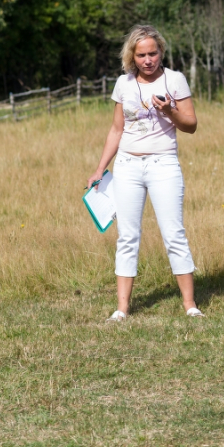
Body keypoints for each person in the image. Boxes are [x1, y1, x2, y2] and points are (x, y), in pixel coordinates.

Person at [86, 25, 202, 322]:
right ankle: (122, 309)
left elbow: (190, 125)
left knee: (174, 233)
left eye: (153, 53)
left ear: (161, 52)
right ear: (132, 57)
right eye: (141, 55)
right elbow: (116, 129)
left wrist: (169, 111)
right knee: (127, 236)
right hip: (127, 167)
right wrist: (100, 169)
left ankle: (190, 305)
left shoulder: (175, 80)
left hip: (164, 164)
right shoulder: (123, 84)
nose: (148, 60)